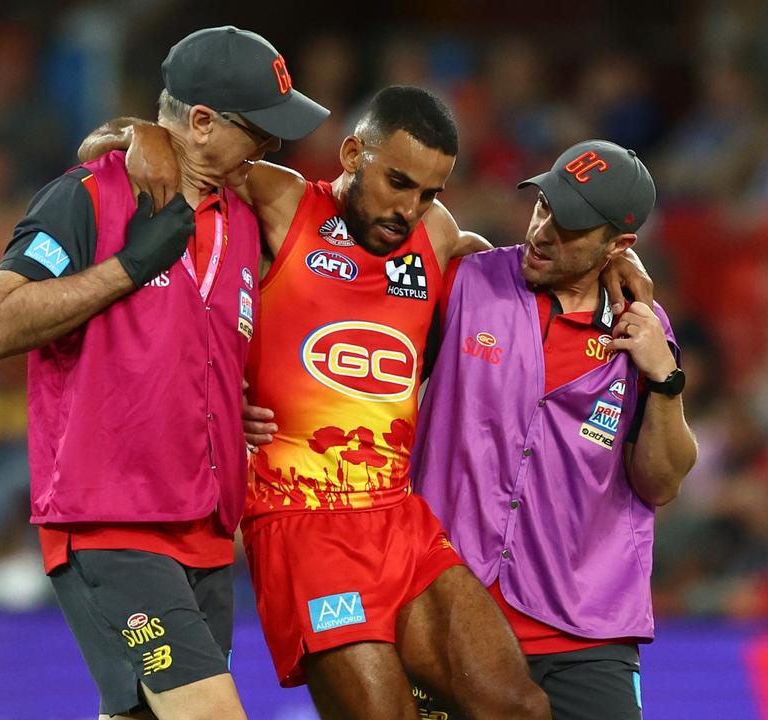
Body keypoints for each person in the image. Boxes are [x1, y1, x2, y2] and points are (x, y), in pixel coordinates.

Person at [84, 87, 653, 719]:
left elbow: (522, 274)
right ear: (353, 153)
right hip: (303, 521)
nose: (409, 209)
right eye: (398, 182)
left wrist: (617, 267)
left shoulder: (435, 238)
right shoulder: (284, 203)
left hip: (399, 520)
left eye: (430, 193)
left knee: (517, 707)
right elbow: (172, 151)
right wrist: (140, 135)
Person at [0, 26, 328, 720]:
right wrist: (130, 267)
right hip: (111, 522)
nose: (271, 149)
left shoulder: (244, 219)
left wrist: (232, 403)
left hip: (204, 528)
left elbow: (189, 350)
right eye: (259, 131)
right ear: (200, 122)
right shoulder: (91, 195)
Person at [412, 140, 699, 720]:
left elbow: (660, 484)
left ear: (618, 245)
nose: (541, 231)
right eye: (542, 207)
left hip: (585, 633)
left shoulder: (640, 328)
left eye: (567, 226)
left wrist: (665, 378)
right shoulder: (467, 282)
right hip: (453, 614)